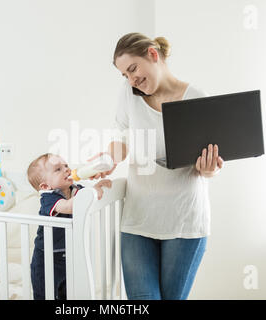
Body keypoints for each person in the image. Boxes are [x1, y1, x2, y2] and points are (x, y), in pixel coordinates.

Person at [89, 32, 224, 300]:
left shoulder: (196, 97)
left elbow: (210, 169)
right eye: (125, 75)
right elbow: (122, 137)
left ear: (152, 54)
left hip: (184, 223)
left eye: (133, 69)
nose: (131, 79)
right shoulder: (129, 93)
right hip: (138, 220)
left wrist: (209, 168)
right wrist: (109, 160)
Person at [27, 152, 112, 299]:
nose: (66, 169)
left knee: (68, 293)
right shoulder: (48, 198)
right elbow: (68, 206)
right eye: (58, 169)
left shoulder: (75, 188)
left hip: (69, 255)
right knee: (45, 294)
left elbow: (86, 195)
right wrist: (92, 192)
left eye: (66, 165)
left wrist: (97, 185)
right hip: (47, 258)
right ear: (46, 185)